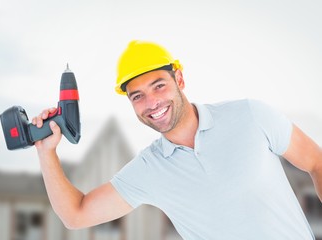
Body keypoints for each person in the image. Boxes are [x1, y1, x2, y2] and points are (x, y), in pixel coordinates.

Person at [32, 40, 322, 239]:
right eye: (138, 96)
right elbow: (76, 215)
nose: (152, 102)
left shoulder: (250, 116)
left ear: (179, 79)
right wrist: (47, 153)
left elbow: (316, 162)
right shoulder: (149, 169)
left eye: (159, 86)